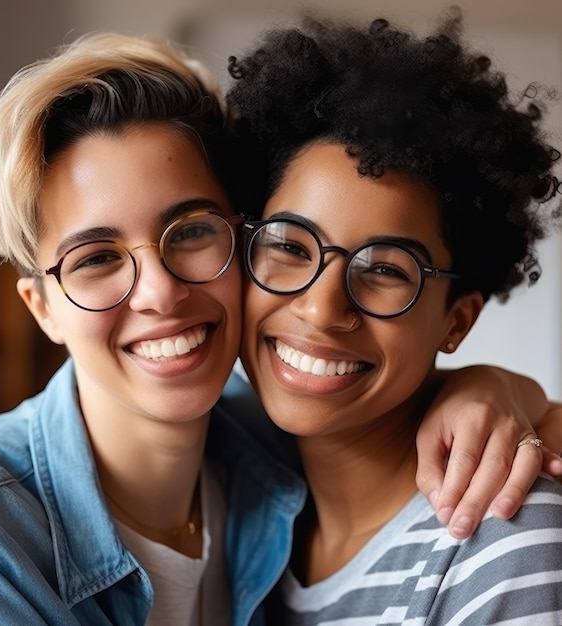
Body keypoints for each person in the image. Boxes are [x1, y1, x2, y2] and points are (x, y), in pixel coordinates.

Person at [0, 27, 559, 626]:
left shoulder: (261, 448)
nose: (160, 291)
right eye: (96, 259)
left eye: (192, 232)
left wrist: (492, 388)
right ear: (41, 306)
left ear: (237, 237)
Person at [225, 9, 562, 623]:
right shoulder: (229, 482)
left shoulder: (502, 536)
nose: (322, 308)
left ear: (455, 322)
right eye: (290, 246)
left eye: (384, 270)